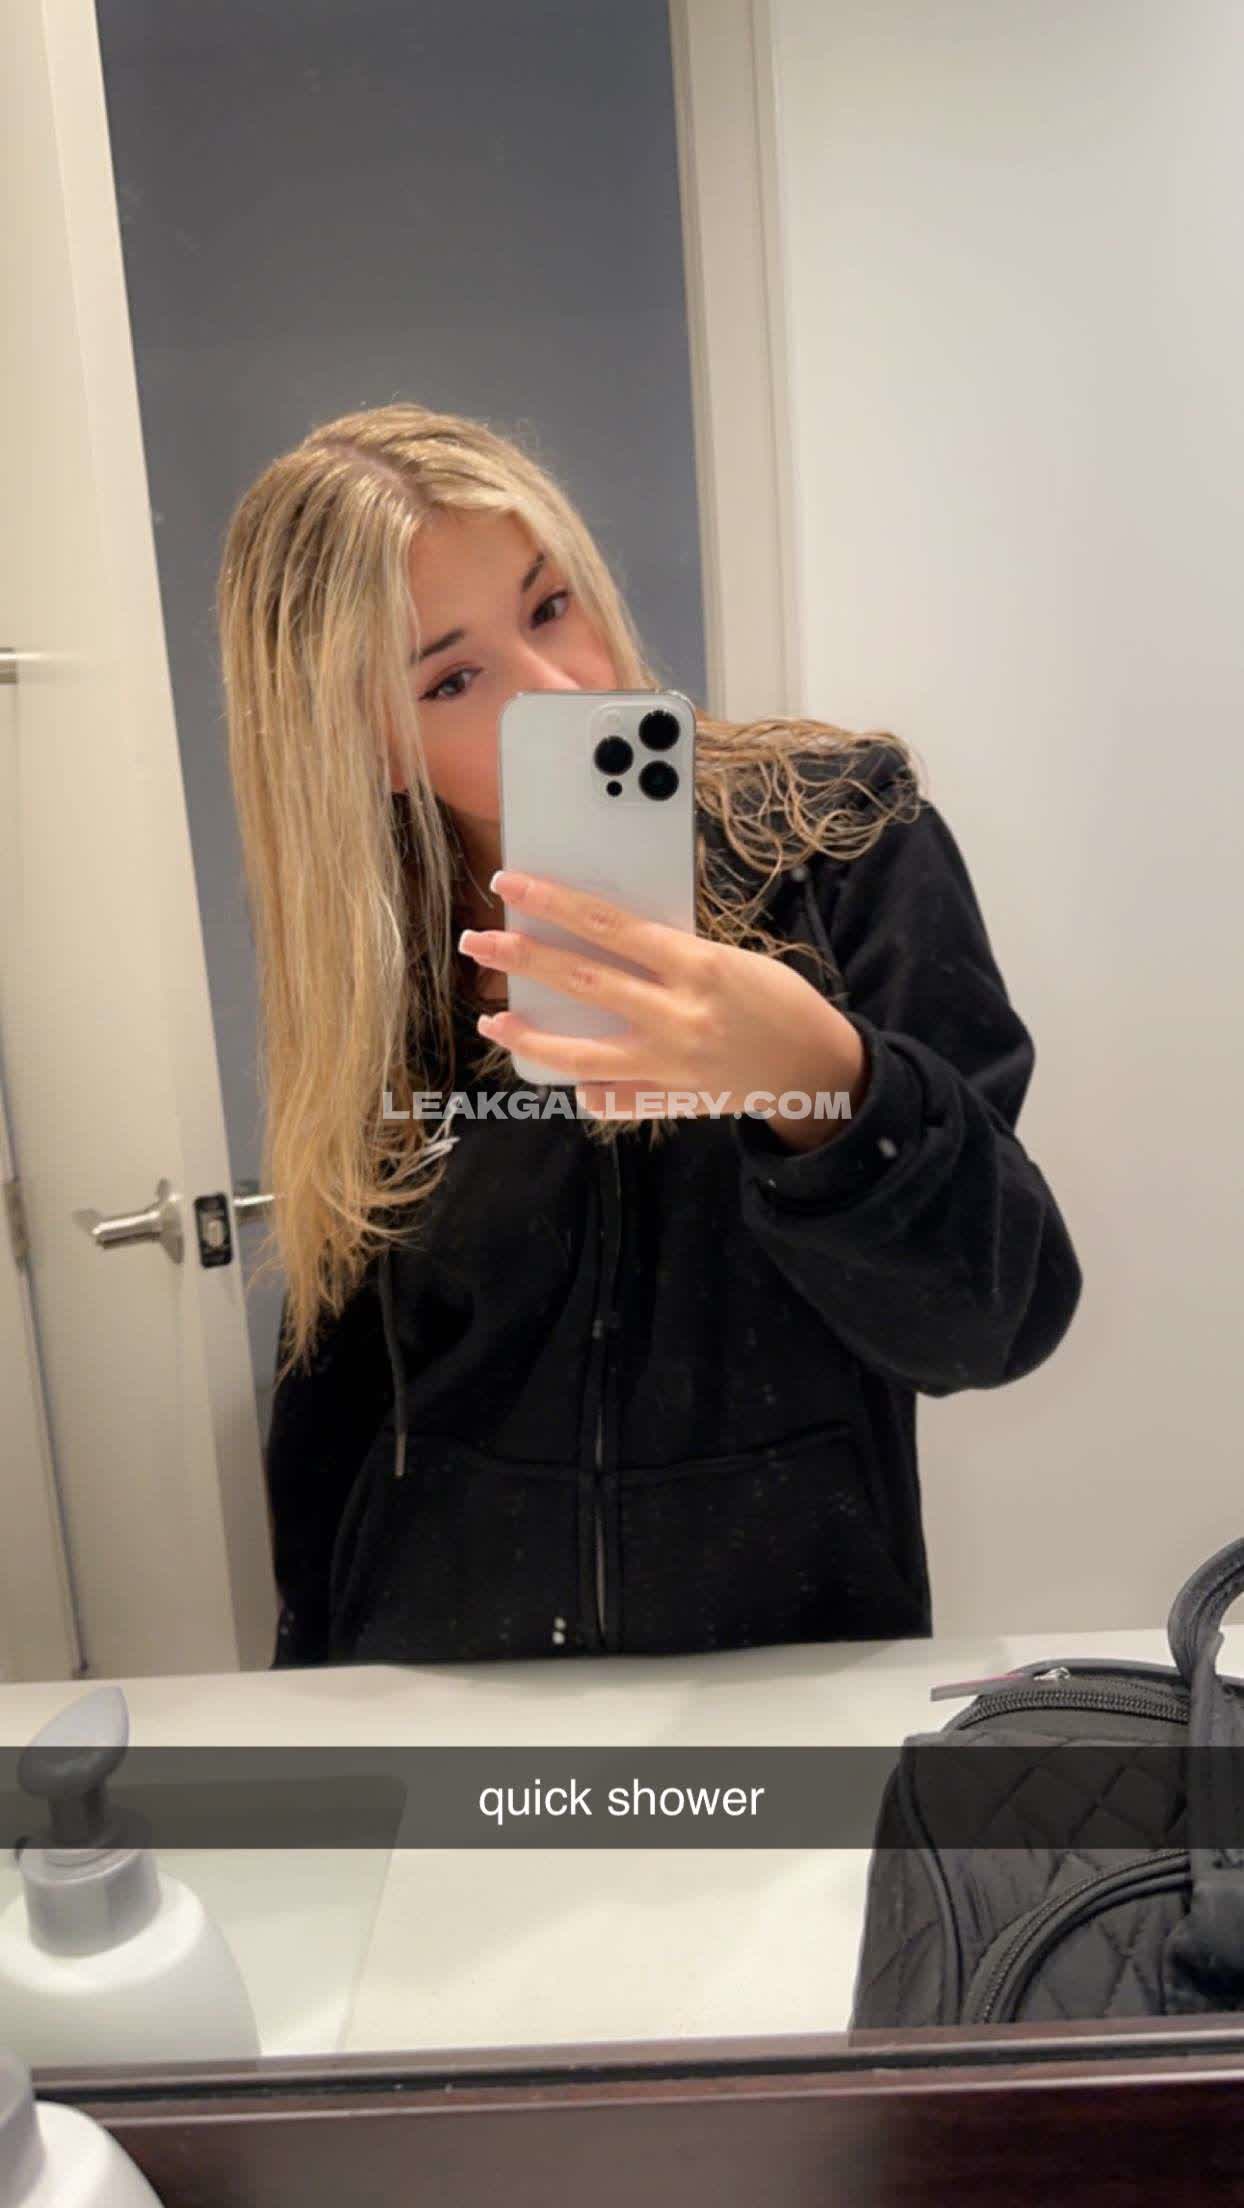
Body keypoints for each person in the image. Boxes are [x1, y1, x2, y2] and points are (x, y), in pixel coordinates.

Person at [217, 401, 1082, 1669]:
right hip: (445, 1677)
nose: (565, 686)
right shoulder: (374, 954)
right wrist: (313, 1707)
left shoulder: (836, 844)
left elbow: (992, 1321)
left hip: (788, 1667)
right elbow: (343, 1406)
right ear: (376, 746)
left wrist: (819, 1082)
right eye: (452, 679)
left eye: (549, 604)